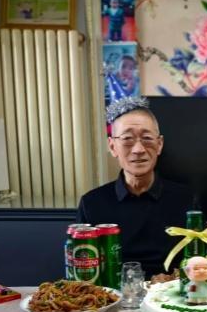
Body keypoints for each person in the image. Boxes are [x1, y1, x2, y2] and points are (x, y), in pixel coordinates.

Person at [77, 96, 196, 276]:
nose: (138, 149)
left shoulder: (186, 199)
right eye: (127, 139)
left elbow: (198, 263)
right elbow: (84, 268)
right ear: (112, 146)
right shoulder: (92, 203)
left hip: (171, 291)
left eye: (147, 138)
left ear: (159, 145)